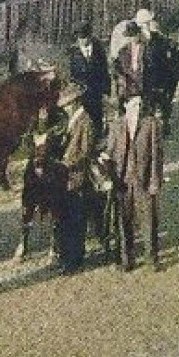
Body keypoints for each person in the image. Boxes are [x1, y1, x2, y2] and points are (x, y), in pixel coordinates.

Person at [100, 95, 165, 272]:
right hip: (122, 181)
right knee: (123, 221)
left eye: (140, 104)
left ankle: (152, 258)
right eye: (134, 104)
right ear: (126, 105)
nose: (138, 107)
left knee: (149, 220)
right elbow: (110, 152)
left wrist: (154, 181)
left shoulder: (151, 124)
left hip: (143, 180)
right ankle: (126, 259)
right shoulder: (116, 126)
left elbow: (156, 156)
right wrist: (107, 172)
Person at [58, 83, 101, 268]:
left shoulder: (86, 121)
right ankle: (67, 256)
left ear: (75, 102)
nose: (65, 107)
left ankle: (75, 258)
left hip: (79, 176)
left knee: (76, 219)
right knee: (66, 219)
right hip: (67, 177)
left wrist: (66, 162)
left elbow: (85, 151)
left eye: (67, 104)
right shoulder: (72, 121)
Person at [67, 24, 111, 135]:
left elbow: (104, 71)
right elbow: (71, 74)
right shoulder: (73, 52)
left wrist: (106, 91)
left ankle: (97, 139)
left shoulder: (99, 50)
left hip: (96, 91)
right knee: (81, 119)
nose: (82, 41)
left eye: (84, 37)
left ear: (90, 36)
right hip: (80, 92)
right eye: (80, 38)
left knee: (97, 118)